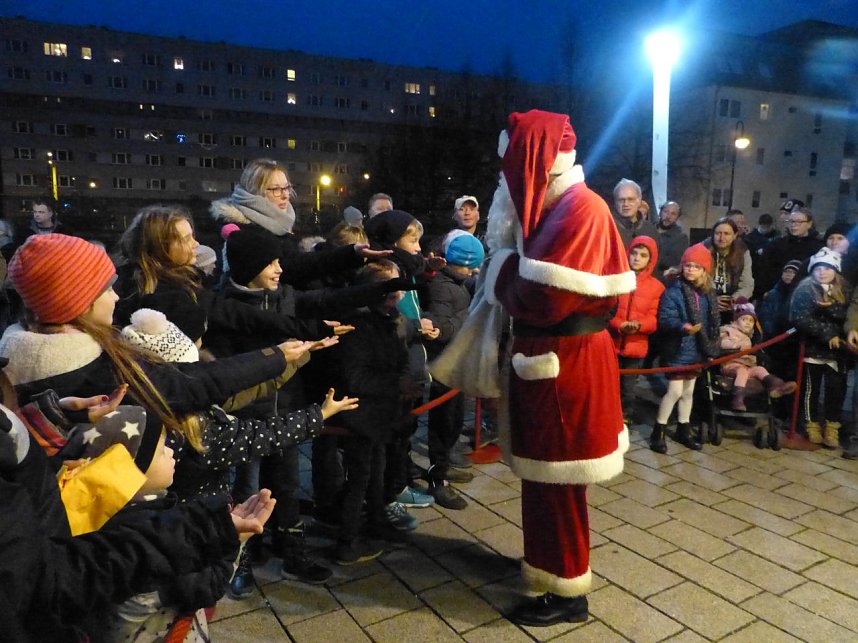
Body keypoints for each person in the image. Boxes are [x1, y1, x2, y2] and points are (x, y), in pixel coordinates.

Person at [436, 110, 635, 625]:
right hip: (554, 366)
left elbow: (543, 299)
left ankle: (567, 592)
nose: (504, 182)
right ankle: (547, 566)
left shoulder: (579, 210)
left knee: (558, 490)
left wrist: (499, 267)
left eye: (510, 168)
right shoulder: (561, 205)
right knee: (545, 489)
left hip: (564, 371)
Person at [113, 205, 339, 348]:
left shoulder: (177, 284)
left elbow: (237, 313)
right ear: (162, 247)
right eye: (186, 239)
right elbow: (237, 315)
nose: (196, 244)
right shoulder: (163, 294)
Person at [323, 260, 411, 564]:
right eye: (390, 289)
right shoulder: (359, 324)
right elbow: (356, 378)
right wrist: (398, 385)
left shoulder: (388, 318)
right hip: (360, 412)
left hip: (378, 411)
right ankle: (347, 540)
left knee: (377, 469)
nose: (397, 295)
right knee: (360, 475)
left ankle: (376, 521)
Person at [365, 210, 440, 530]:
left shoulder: (407, 272)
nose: (419, 247)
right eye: (412, 240)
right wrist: (415, 327)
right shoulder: (380, 273)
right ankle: (385, 499)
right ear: (392, 241)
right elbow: (385, 320)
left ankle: (398, 486)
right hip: (390, 373)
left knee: (402, 435)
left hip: (407, 366)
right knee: (387, 440)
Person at [210, 159, 388, 288]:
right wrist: (347, 254)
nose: (285, 195)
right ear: (253, 192)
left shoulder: (279, 225)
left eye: (286, 187)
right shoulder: (243, 232)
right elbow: (292, 267)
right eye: (276, 189)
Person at [423, 232, 485, 509]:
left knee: (454, 422)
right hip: (445, 364)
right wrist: (464, 325)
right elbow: (439, 324)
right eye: (468, 266)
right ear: (455, 263)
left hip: (455, 362)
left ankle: (444, 467)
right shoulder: (442, 287)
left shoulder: (456, 281)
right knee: (444, 425)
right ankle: (437, 481)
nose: (472, 271)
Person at [651, 243, 720, 453]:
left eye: (696, 267)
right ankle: (659, 429)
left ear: (704, 271)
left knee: (689, 391)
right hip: (678, 348)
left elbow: (711, 320)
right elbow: (666, 316)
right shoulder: (674, 291)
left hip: (697, 349)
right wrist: (682, 326)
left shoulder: (707, 294)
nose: (690, 270)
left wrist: (712, 340)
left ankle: (684, 426)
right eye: (688, 266)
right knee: (674, 391)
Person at [791, 248, 850, 449]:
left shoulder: (845, 290)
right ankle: (811, 423)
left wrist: (832, 308)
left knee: (836, 389)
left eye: (827, 268)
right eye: (818, 268)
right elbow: (800, 318)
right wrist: (827, 334)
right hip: (813, 348)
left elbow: (848, 316)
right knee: (811, 389)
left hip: (838, 352)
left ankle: (832, 426)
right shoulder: (805, 288)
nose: (822, 272)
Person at [609, 236, 664, 424]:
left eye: (643, 255)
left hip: (636, 345)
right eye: (634, 253)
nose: (637, 258)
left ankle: (625, 416)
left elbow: (653, 318)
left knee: (629, 386)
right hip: (613, 343)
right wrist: (618, 325)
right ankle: (607, 414)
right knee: (609, 383)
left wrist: (638, 326)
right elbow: (608, 310)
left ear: (651, 259)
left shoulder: (656, 287)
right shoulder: (617, 279)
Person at [718, 300, 796, 411]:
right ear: (735, 320)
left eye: (751, 321)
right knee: (742, 371)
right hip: (731, 365)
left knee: (760, 369)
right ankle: (737, 398)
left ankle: (777, 385)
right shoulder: (727, 330)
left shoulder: (748, 337)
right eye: (744, 319)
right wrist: (738, 346)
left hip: (748, 365)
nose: (748, 323)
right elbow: (721, 344)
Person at [755, 206, 822, 299]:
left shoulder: (818, 248)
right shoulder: (776, 244)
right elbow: (763, 270)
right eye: (791, 221)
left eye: (799, 222)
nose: (794, 225)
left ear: (809, 224)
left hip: (806, 296)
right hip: (776, 294)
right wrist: (764, 291)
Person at [702, 217, 754, 323]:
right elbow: (696, 281)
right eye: (718, 233)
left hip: (732, 303)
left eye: (727, 234)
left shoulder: (742, 252)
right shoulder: (702, 249)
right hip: (705, 301)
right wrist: (712, 299)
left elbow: (747, 284)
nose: (722, 238)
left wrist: (734, 300)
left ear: (734, 235)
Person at [611, 178, 658, 248]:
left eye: (630, 199)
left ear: (639, 201)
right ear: (615, 202)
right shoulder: (607, 228)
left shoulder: (651, 231)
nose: (626, 204)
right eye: (621, 200)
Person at [653, 201, 688, 285]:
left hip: (663, 281)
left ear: (677, 217)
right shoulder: (649, 229)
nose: (668, 216)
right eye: (666, 212)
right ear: (660, 213)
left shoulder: (681, 238)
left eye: (673, 214)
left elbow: (673, 262)